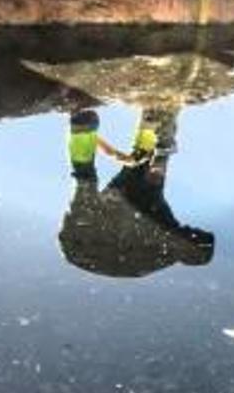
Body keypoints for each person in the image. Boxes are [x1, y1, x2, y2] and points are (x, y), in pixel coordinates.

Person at [59, 106, 215, 279]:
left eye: (193, 232)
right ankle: (151, 118)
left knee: (88, 180)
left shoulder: (162, 243)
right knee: (136, 171)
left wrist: (163, 146)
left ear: (190, 244)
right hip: (87, 246)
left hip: (83, 244)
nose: (189, 228)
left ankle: (149, 118)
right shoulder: (163, 249)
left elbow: (154, 181)